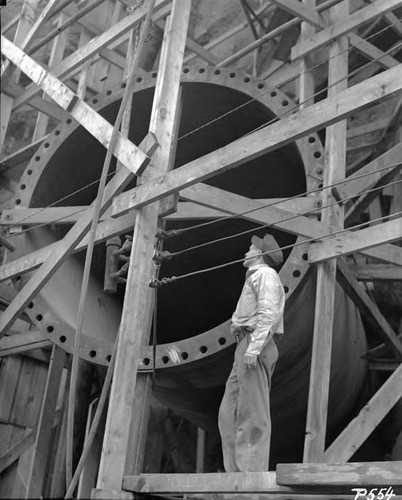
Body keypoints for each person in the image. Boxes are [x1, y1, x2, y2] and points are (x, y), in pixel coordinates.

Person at [218, 233, 285, 472]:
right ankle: (235, 473)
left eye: (249, 249)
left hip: (256, 344)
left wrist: (254, 348)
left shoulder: (266, 275)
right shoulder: (255, 277)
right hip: (245, 344)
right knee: (229, 411)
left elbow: (268, 314)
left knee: (253, 412)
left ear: (258, 254)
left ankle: (250, 476)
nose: (245, 252)